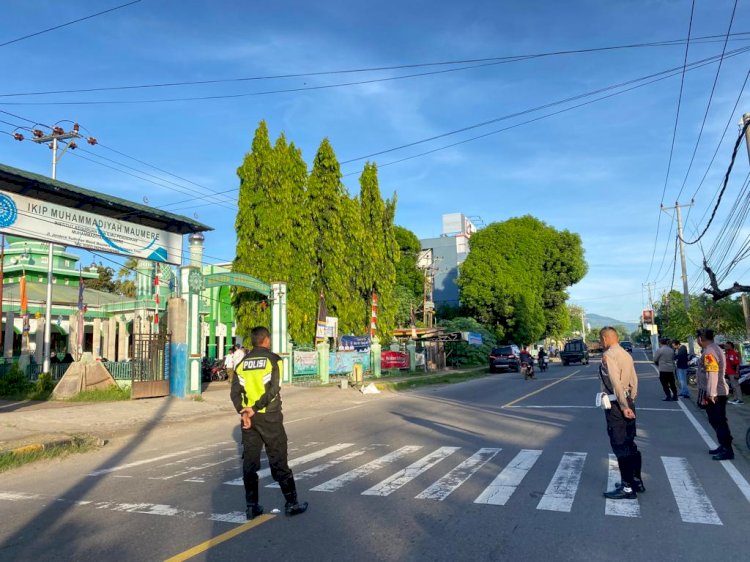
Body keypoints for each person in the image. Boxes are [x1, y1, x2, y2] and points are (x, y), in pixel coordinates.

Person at [230, 326, 308, 519]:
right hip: (270, 417)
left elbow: (234, 393)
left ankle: (251, 507)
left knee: (250, 463)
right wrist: (255, 408)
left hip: (249, 420)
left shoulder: (241, 364)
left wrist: (244, 411)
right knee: (279, 460)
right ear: (266, 340)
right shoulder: (273, 360)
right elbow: (273, 390)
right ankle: (291, 503)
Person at [599, 327, 644, 500]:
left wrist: (623, 405)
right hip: (628, 401)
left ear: (605, 338)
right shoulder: (626, 354)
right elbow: (634, 380)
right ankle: (636, 481)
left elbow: (615, 383)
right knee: (630, 443)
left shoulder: (609, 356)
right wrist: (630, 400)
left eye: (600, 339)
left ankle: (627, 488)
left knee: (620, 445)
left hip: (617, 404)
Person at [695, 329, 734, 460]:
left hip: (715, 392)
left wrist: (711, 393)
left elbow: (712, 373)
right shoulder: (714, 348)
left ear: (700, 339)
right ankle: (723, 445)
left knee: (718, 420)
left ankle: (727, 449)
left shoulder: (710, 352)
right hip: (717, 390)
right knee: (716, 420)